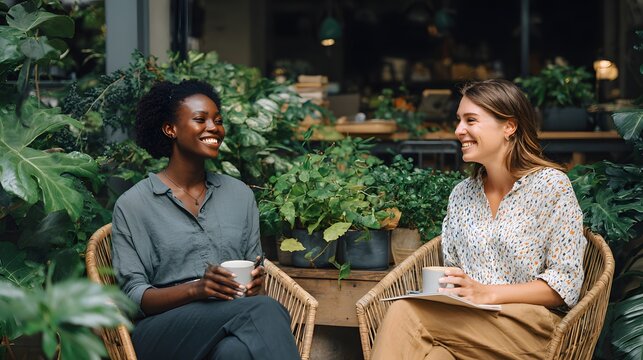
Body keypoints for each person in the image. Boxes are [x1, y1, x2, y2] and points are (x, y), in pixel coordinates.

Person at [371, 79, 586, 360]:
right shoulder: (462, 194)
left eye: (471, 120)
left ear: (509, 126)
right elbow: (455, 273)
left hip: (535, 331)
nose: (459, 130)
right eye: (459, 120)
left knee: (406, 312)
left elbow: (564, 284)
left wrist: (488, 293)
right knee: (435, 357)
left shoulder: (551, 186)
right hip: (466, 328)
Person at [111, 80, 300, 360]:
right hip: (159, 333)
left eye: (218, 120)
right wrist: (197, 289)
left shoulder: (239, 195)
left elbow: (255, 266)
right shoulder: (133, 205)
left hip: (229, 320)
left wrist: (254, 283)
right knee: (266, 309)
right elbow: (133, 298)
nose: (214, 128)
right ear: (170, 129)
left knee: (233, 353)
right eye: (201, 119)